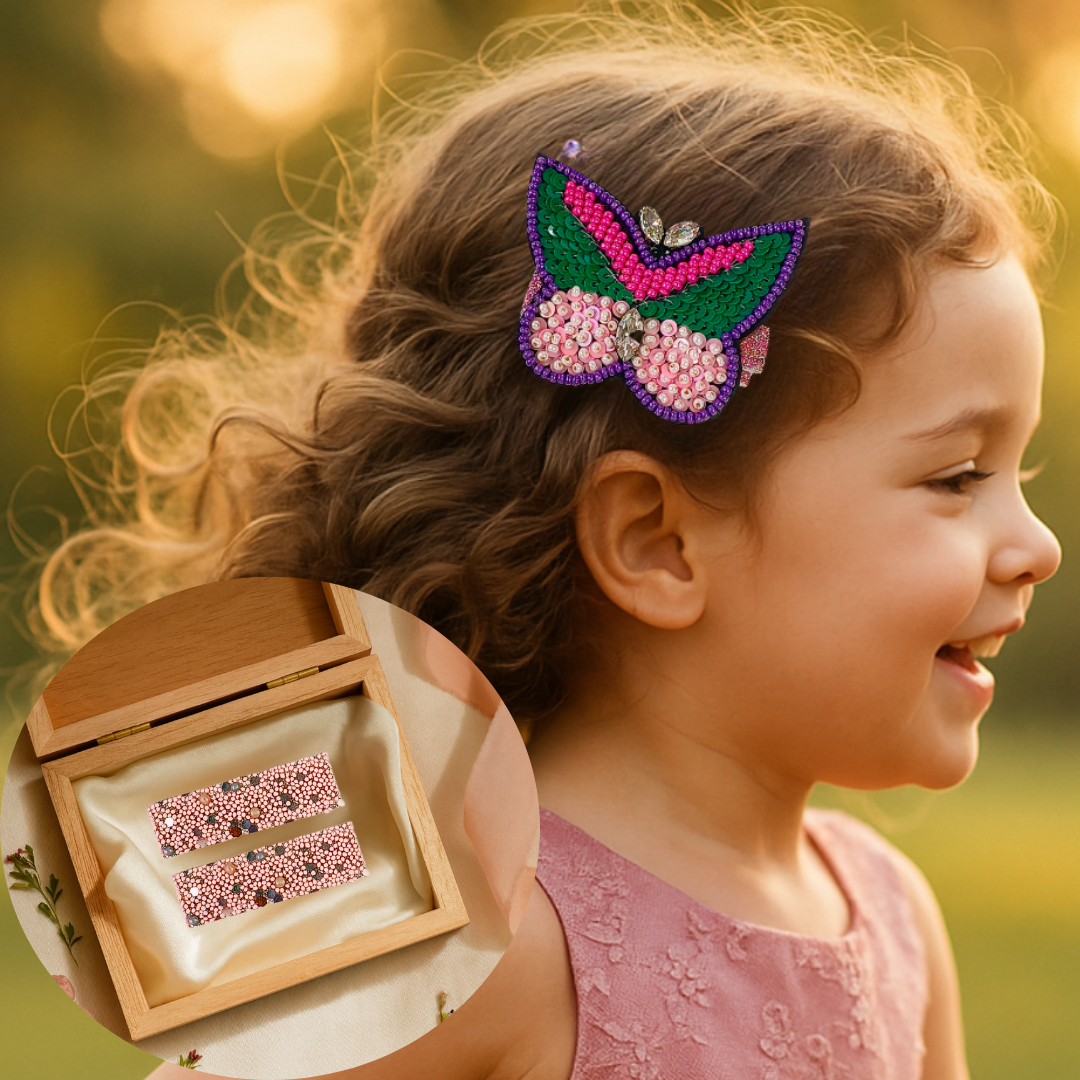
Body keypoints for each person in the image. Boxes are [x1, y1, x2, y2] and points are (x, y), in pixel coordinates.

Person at [53, 5, 1059, 1080]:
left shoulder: (892, 916)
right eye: (958, 478)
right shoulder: (480, 953)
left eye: (1019, 475)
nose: (1037, 545)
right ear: (656, 542)